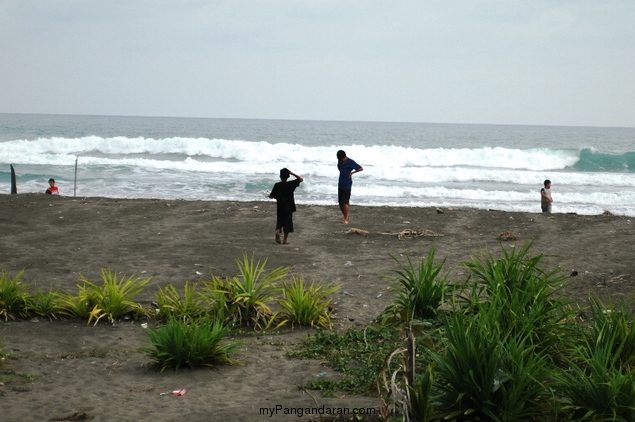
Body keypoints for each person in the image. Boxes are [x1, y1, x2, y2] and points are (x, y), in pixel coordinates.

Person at [268, 168, 303, 244]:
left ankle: (278, 231)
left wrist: (269, 196)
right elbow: (301, 179)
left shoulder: (277, 185)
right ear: (288, 176)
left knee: (280, 221)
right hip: (289, 206)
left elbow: (272, 196)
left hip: (280, 206)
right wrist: (292, 173)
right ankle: (285, 240)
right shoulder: (291, 184)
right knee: (288, 223)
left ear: (280, 176)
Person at [336, 150, 363, 224]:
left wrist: (352, 173)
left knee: (345, 202)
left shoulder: (350, 162)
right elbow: (339, 167)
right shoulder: (340, 161)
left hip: (347, 184)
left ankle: (346, 218)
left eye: (341, 159)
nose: (340, 160)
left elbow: (360, 168)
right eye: (339, 159)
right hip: (340, 183)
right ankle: (345, 216)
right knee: (340, 202)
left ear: (344, 157)